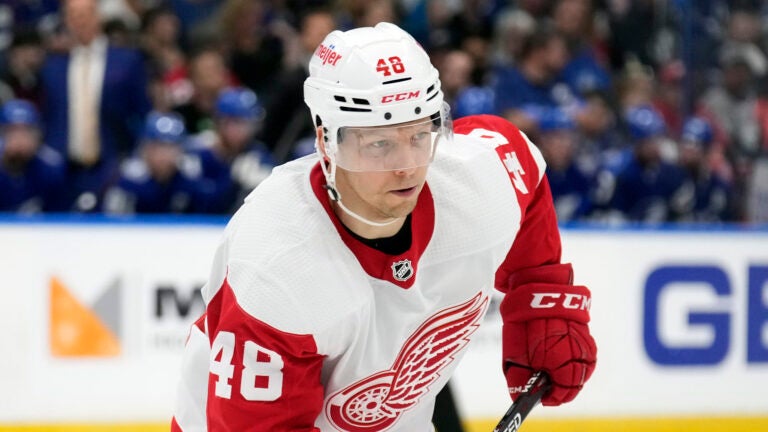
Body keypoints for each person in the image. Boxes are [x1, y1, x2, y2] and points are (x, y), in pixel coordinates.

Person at [171, 22, 596, 431]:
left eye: (418, 136)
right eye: (379, 144)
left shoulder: (473, 181)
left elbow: (520, 163)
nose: (406, 167)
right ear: (326, 141)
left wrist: (542, 296)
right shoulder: (279, 265)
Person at [40, 0, 152, 212]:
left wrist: (133, 158)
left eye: (86, 13)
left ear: (99, 16)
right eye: (73, 14)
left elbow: (142, 112)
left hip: (111, 167)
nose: (80, 20)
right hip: (64, 169)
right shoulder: (53, 65)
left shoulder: (126, 61)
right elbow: (49, 114)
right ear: (65, 20)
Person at [185, 87, 276, 214]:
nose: (246, 130)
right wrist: (230, 181)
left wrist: (260, 187)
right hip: (193, 228)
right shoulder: (199, 152)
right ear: (221, 122)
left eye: (250, 124)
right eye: (239, 123)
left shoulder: (258, 155)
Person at [102, 111, 212, 214]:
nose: (165, 154)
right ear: (145, 148)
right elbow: (113, 220)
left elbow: (204, 216)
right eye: (158, 146)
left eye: (171, 147)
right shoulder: (129, 179)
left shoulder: (189, 178)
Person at [0, 99, 67, 213]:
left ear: (38, 135)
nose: (19, 140)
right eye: (12, 132)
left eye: (26, 132)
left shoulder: (52, 168)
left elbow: (58, 219)